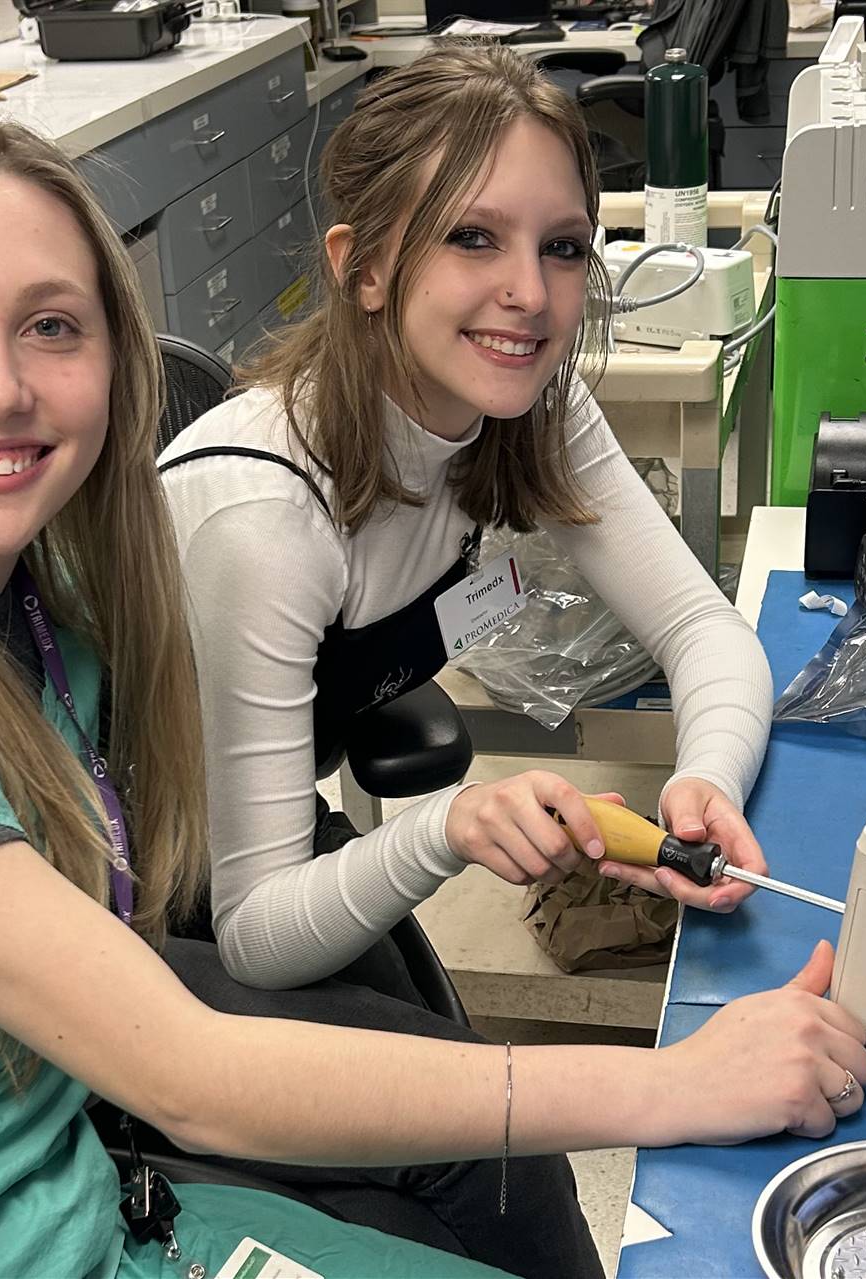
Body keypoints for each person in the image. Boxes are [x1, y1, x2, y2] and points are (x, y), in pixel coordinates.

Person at [0, 106, 866, 1279]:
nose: (2, 385)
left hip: (36, 1141)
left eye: (52, 326)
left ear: (115, 361)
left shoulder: (27, 576)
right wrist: (678, 1082)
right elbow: (193, 1068)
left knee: (483, 1148)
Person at [158, 49, 774, 995]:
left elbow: (702, 630)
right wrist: (451, 826)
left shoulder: (529, 409)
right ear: (360, 267)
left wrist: (706, 783)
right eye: (473, 238)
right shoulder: (266, 521)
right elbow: (253, 932)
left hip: (260, 851)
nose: (530, 293)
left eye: (563, 246)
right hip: (137, 883)